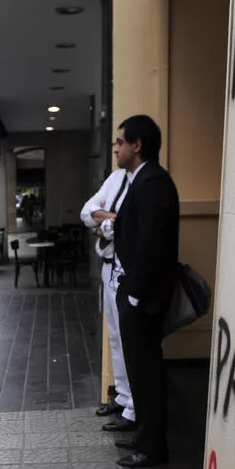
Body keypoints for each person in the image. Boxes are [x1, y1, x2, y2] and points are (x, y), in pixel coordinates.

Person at [111, 115, 179, 469]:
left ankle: (153, 447)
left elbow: (152, 244)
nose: (116, 148)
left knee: (148, 373)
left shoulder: (153, 182)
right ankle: (143, 436)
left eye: (120, 142)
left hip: (144, 298)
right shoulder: (139, 180)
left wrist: (135, 295)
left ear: (137, 145)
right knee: (139, 371)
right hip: (136, 292)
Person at [81, 168, 135, 431]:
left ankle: (133, 407)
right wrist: (110, 221)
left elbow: (125, 225)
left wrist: (104, 223)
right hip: (107, 265)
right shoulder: (115, 178)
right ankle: (123, 397)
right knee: (114, 336)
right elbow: (86, 212)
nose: (117, 148)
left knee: (127, 338)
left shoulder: (143, 182)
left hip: (124, 268)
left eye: (122, 142)